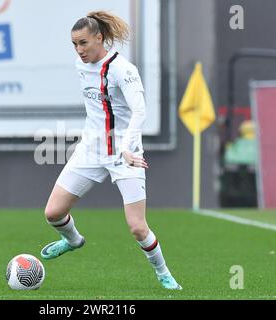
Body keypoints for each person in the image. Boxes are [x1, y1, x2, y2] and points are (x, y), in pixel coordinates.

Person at [40, 11, 182, 290]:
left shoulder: (123, 70)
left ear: (99, 38)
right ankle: (73, 240)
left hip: (125, 153)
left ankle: (164, 273)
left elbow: (140, 111)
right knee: (53, 213)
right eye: (74, 44)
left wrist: (128, 148)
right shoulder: (81, 66)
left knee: (137, 227)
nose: (79, 50)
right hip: (91, 149)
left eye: (83, 43)